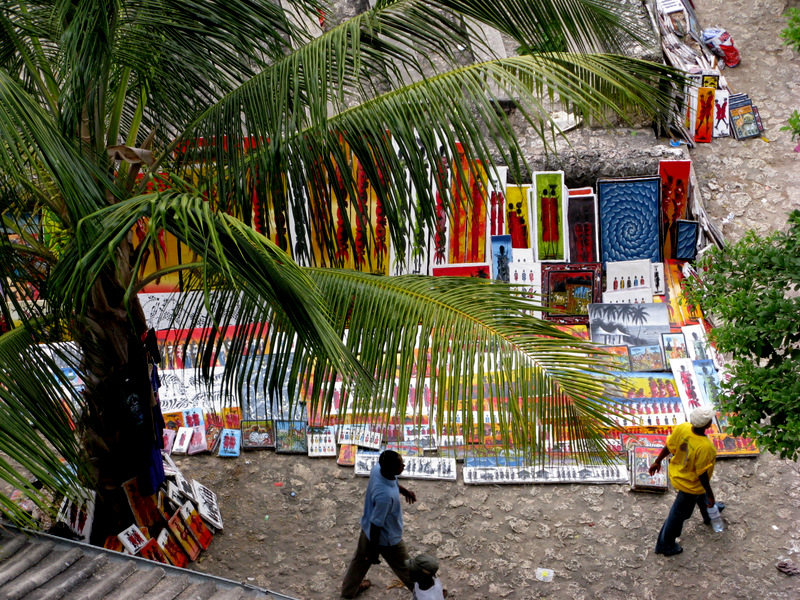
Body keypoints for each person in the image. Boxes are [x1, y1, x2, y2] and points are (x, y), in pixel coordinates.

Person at [341, 450, 417, 598]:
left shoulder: (378, 470)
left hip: (367, 529)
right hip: (387, 538)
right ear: (391, 469)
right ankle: (426, 593)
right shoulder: (385, 497)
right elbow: (377, 524)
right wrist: (374, 551)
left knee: (359, 563)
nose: (404, 465)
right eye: (400, 464)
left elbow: (392, 482)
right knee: (406, 568)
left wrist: (404, 491)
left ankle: (348, 592)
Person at [649, 406, 722, 556]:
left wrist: (657, 461)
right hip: (690, 484)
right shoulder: (705, 447)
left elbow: (670, 446)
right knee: (678, 513)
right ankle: (665, 545)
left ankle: (709, 513)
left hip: (679, 472)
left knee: (700, 495)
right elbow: (702, 475)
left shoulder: (683, 427)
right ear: (708, 424)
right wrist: (711, 494)